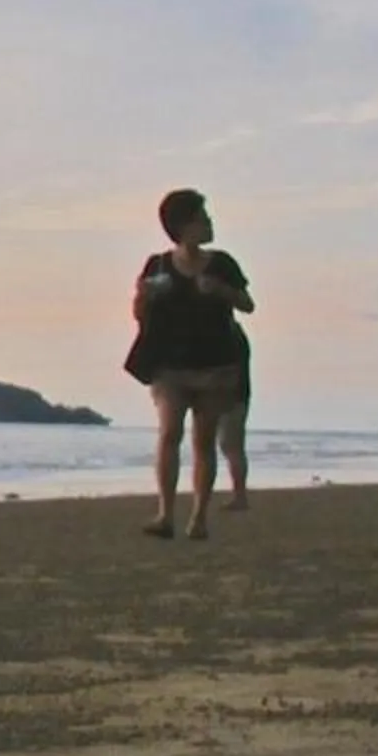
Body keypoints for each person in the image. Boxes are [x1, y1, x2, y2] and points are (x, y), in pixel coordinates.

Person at [122, 187, 256, 541]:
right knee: (169, 434)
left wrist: (221, 291)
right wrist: (142, 295)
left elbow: (247, 304)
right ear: (183, 226)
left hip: (215, 366)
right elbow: (139, 316)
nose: (209, 223)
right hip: (169, 366)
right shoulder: (159, 265)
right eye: (202, 218)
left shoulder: (222, 263)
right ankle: (165, 513)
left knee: (203, 440)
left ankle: (198, 517)